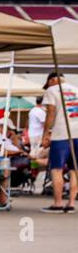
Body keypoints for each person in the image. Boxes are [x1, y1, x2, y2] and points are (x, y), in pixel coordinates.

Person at [39, 72, 74, 212]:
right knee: (74, 169)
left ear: (52, 80)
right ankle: (71, 203)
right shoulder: (75, 89)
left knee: (57, 168)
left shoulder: (52, 90)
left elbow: (51, 113)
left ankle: (58, 203)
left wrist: (46, 134)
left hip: (61, 133)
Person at [27, 94, 48, 194]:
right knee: (36, 156)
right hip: (39, 136)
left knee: (34, 155)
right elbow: (46, 125)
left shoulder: (32, 110)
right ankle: (35, 175)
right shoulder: (40, 112)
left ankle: (33, 173)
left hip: (33, 135)